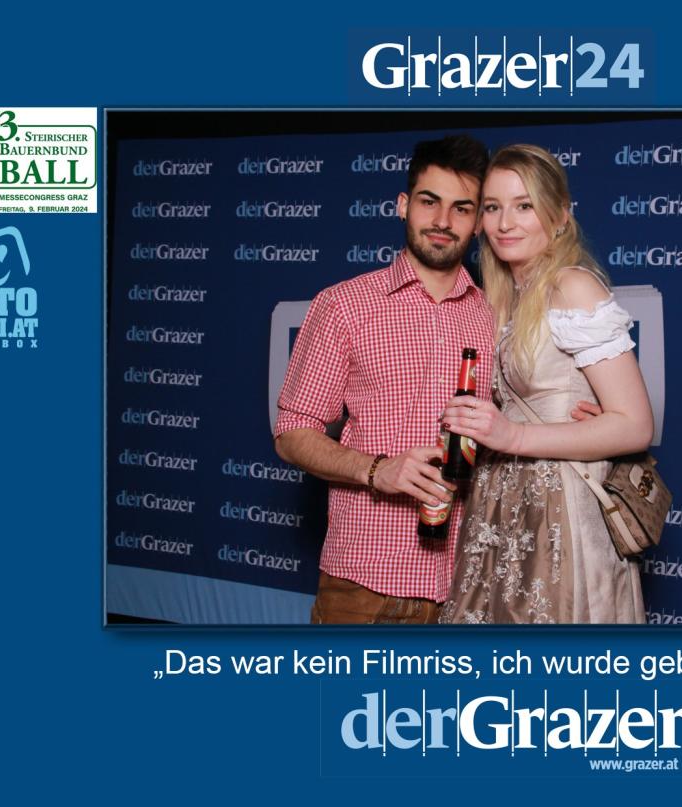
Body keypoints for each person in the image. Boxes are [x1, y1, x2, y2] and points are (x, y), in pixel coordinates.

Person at [274, 134, 495, 624]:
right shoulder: (344, 305)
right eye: (429, 202)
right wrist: (376, 470)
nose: (443, 221)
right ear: (402, 205)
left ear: (479, 221)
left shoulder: (495, 315)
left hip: (469, 588)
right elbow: (292, 434)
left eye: (461, 208)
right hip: (365, 586)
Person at [438, 144, 655, 624]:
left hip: (563, 510)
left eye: (524, 206)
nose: (505, 223)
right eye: (492, 207)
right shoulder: (503, 296)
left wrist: (513, 435)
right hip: (501, 501)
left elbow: (636, 426)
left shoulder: (572, 287)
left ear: (559, 215)